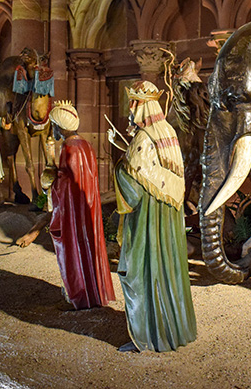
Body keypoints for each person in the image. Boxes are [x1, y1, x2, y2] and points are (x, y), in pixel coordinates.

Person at [108, 80, 197, 352]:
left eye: (135, 102)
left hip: (148, 219)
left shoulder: (143, 138)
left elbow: (133, 188)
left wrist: (119, 164)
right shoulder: (167, 132)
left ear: (144, 105)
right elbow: (154, 173)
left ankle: (148, 335)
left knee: (142, 270)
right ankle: (174, 330)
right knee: (167, 269)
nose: (131, 108)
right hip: (167, 217)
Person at [42, 100, 115, 310]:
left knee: (74, 247)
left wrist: (51, 181)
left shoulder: (69, 147)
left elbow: (67, 184)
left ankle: (81, 294)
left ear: (60, 126)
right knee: (88, 247)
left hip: (75, 210)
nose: (53, 129)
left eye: (54, 125)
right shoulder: (85, 144)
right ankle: (93, 292)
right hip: (87, 206)